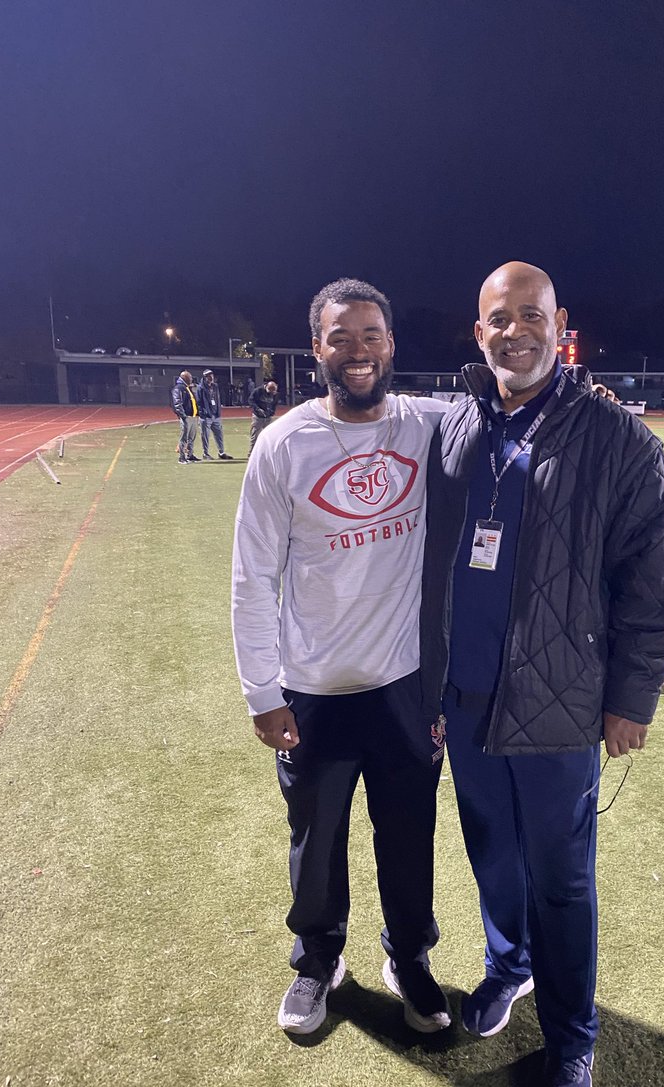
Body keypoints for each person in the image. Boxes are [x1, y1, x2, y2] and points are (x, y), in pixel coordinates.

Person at [419, 262, 664, 1087]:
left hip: (559, 704)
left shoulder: (619, 440)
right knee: (490, 855)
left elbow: (661, 585)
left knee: (564, 883)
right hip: (462, 701)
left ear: (559, 323)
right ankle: (510, 963)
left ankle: (573, 1039)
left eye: (531, 315)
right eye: (499, 317)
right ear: (479, 331)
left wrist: (633, 699)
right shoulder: (456, 423)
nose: (515, 331)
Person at [231, 277, 452, 1038]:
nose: (357, 352)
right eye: (340, 338)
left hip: (404, 688)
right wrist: (263, 690)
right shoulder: (284, 444)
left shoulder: (430, 426)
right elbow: (252, 576)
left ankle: (410, 958)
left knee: (409, 837)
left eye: (370, 336)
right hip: (315, 690)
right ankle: (319, 961)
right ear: (317, 348)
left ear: (391, 344)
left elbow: (517, 421)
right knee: (316, 841)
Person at [196, 370, 233, 460]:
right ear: (205, 377)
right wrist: (203, 413)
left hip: (215, 415)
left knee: (219, 434)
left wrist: (218, 412)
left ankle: (221, 452)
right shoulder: (200, 388)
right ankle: (205, 453)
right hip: (206, 416)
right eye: (209, 376)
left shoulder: (215, 386)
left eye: (212, 375)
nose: (211, 377)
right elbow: (199, 402)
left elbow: (217, 399)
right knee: (205, 436)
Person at [170, 370, 200, 464]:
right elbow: (177, 403)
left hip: (193, 416)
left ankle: (190, 455)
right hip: (186, 416)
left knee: (192, 437)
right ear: (185, 378)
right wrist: (183, 415)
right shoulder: (179, 388)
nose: (191, 379)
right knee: (184, 437)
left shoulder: (187, 388)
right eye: (190, 377)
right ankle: (182, 457)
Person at [248, 380, 280, 456]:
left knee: (269, 436)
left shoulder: (275, 394)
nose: (271, 394)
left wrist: (272, 412)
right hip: (258, 417)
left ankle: (268, 452)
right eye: (270, 392)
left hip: (268, 417)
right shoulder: (257, 391)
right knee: (255, 435)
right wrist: (258, 409)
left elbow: (274, 404)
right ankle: (252, 453)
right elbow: (251, 401)